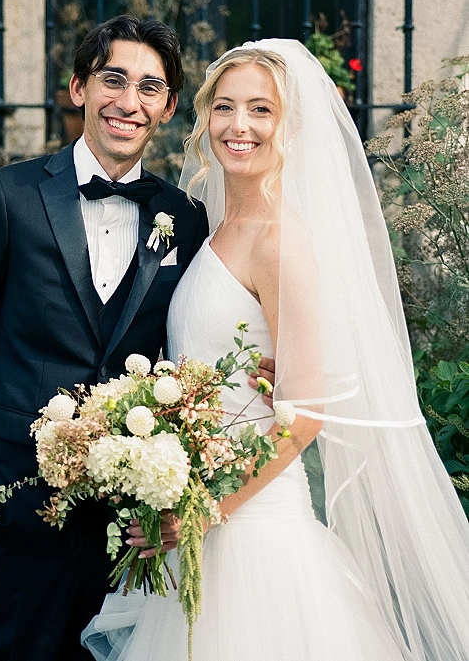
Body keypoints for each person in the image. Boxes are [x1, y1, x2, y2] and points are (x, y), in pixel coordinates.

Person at [81, 39, 469, 661]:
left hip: (254, 540)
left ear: (290, 126)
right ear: (205, 117)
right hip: (198, 529)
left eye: (262, 110)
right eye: (226, 107)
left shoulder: (280, 241)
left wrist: (203, 511)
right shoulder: (213, 231)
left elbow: (305, 414)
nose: (240, 126)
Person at [0, 14, 212, 661]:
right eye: (113, 79)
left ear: (165, 107)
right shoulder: (7, 198)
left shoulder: (184, 220)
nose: (127, 102)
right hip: (9, 529)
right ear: (79, 87)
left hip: (122, 542)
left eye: (148, 87)